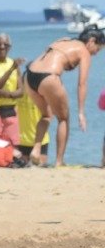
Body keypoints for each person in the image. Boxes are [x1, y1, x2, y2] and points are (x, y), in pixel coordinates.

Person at [22, 25, 102, 167]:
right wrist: (81, 112)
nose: (96, 53)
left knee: (46, 115)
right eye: (98, 49)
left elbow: (47, 54)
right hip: (49, 77)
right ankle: (59, 162)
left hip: (29, 75)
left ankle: (36, 149)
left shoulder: (64, 40)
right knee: (63, 118)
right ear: (91, 41)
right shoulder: (84, 51)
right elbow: (82, 84)